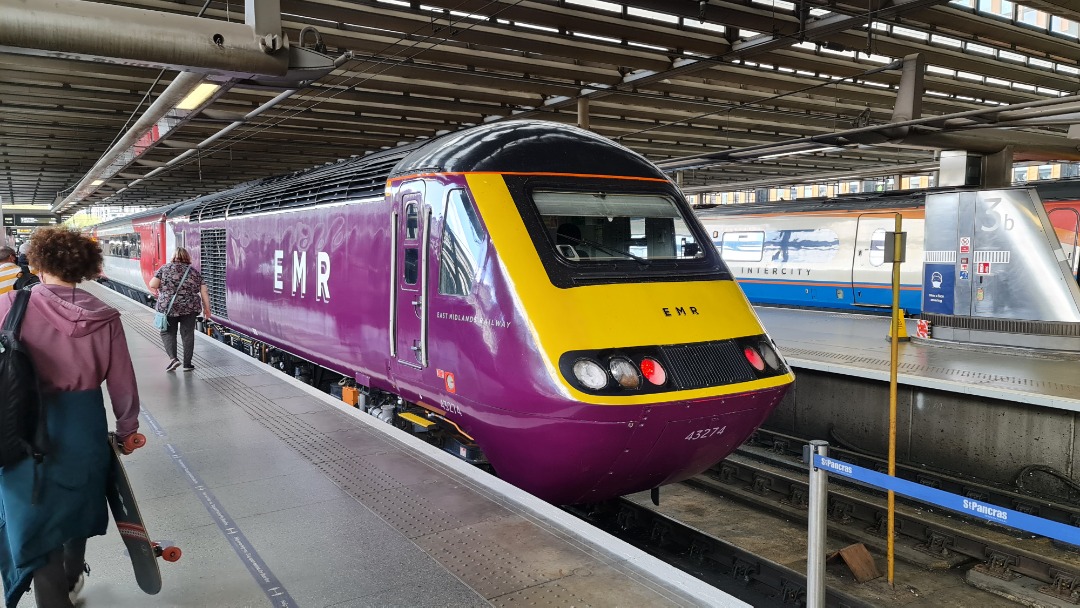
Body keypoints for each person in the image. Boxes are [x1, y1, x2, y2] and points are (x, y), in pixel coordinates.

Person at [0, 227, 141, 608]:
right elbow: (123, 380)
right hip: (84, 425)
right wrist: (128, 428)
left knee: (33, 514)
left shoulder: (11, 304)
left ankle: (53, 598)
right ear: (83, 267)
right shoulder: (106, 316)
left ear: (38, 264)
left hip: (22, 423)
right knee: (75, 503)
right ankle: (73, 570)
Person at [149, 247, 211, 372]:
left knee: (167, 332)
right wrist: (207, 310)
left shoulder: (164, 269)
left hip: (168, 307)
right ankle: (187, 365)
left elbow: (152, 284)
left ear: (173, 257)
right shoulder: (193, 272)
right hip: (190, 308)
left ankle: (173, 359)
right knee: (187, 334)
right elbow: (204, 291)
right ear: (187, 257)